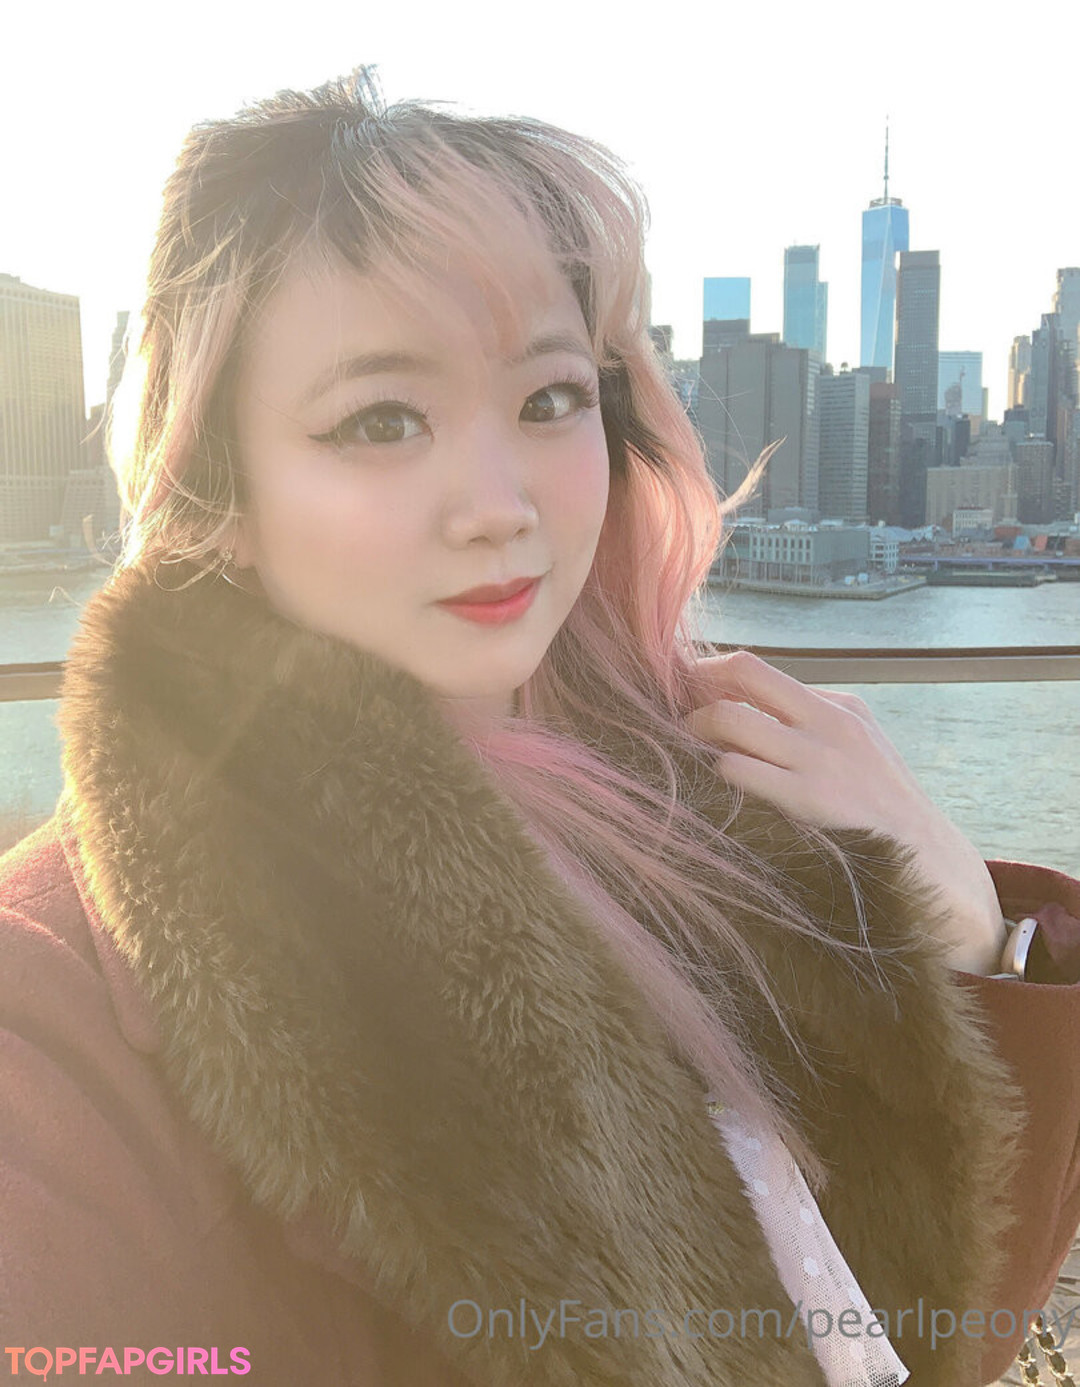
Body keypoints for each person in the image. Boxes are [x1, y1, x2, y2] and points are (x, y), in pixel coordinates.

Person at [1, 67, 1079, 1387]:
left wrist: (963, 929)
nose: (501, 503)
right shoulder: (51, 1019)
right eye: (382, 420)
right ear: (219, 492)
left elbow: (927, 1331)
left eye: (549, 400)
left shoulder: (713, 805)